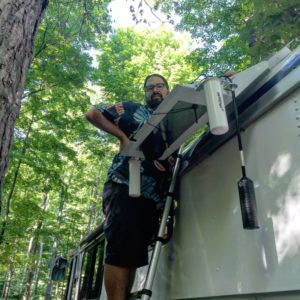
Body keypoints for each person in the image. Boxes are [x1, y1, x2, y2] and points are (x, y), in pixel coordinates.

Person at [86, 74, 174, 300]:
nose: (155, 90)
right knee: (120, 253)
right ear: (144, 92)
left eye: (160, 86)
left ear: (168, 90)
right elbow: (93, 113)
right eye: (150, 87)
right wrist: (122, 137)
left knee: (134, 257)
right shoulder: (133, 109)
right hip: (124, 186)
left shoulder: (173, 122)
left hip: (151, 199)